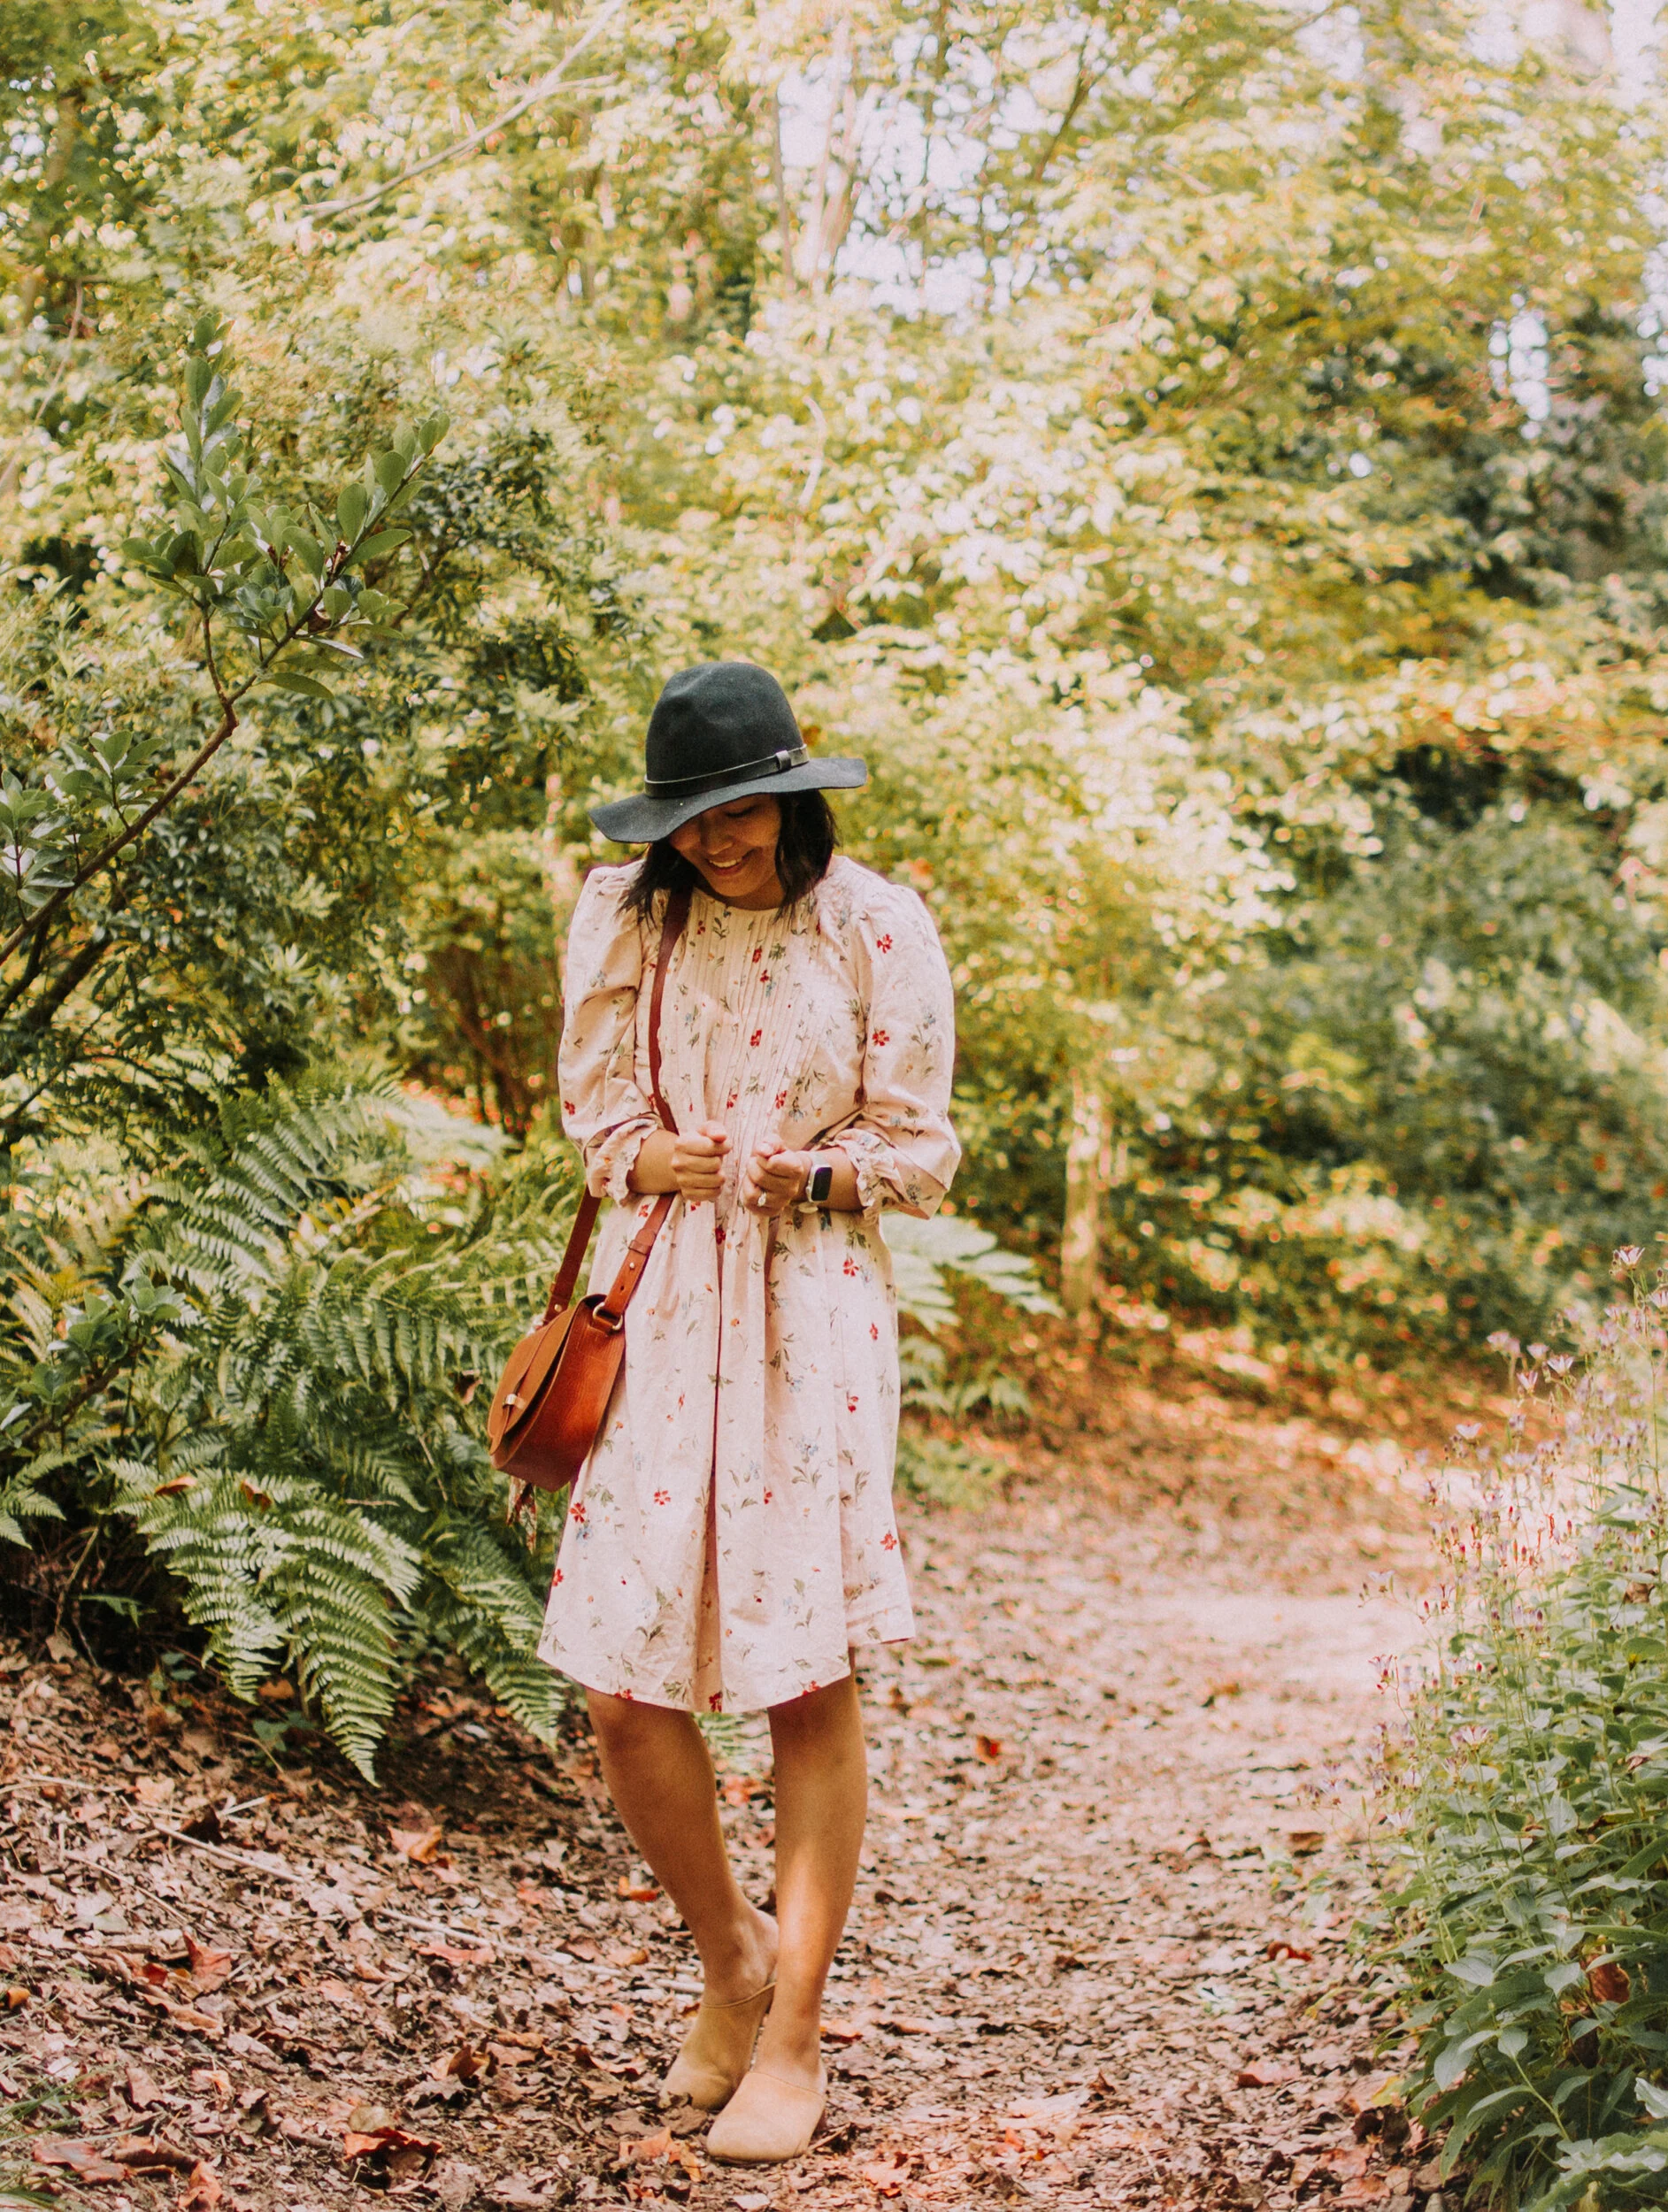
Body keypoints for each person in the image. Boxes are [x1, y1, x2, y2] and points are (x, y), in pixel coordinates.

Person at [537, 661, 960, 2165]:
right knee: (618, 1684)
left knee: (802, 1673)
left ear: (792, 798)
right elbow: (594, 1122)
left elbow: (924, 1148)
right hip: (662, 1311)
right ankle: (731, 1956)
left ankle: (796, 2035)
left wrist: (821, 1175)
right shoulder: (626, 917)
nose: (717, 843)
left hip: (811, 1318)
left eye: (739, 814)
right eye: (690, 821)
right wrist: (658, 1162)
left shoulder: (875, 924)